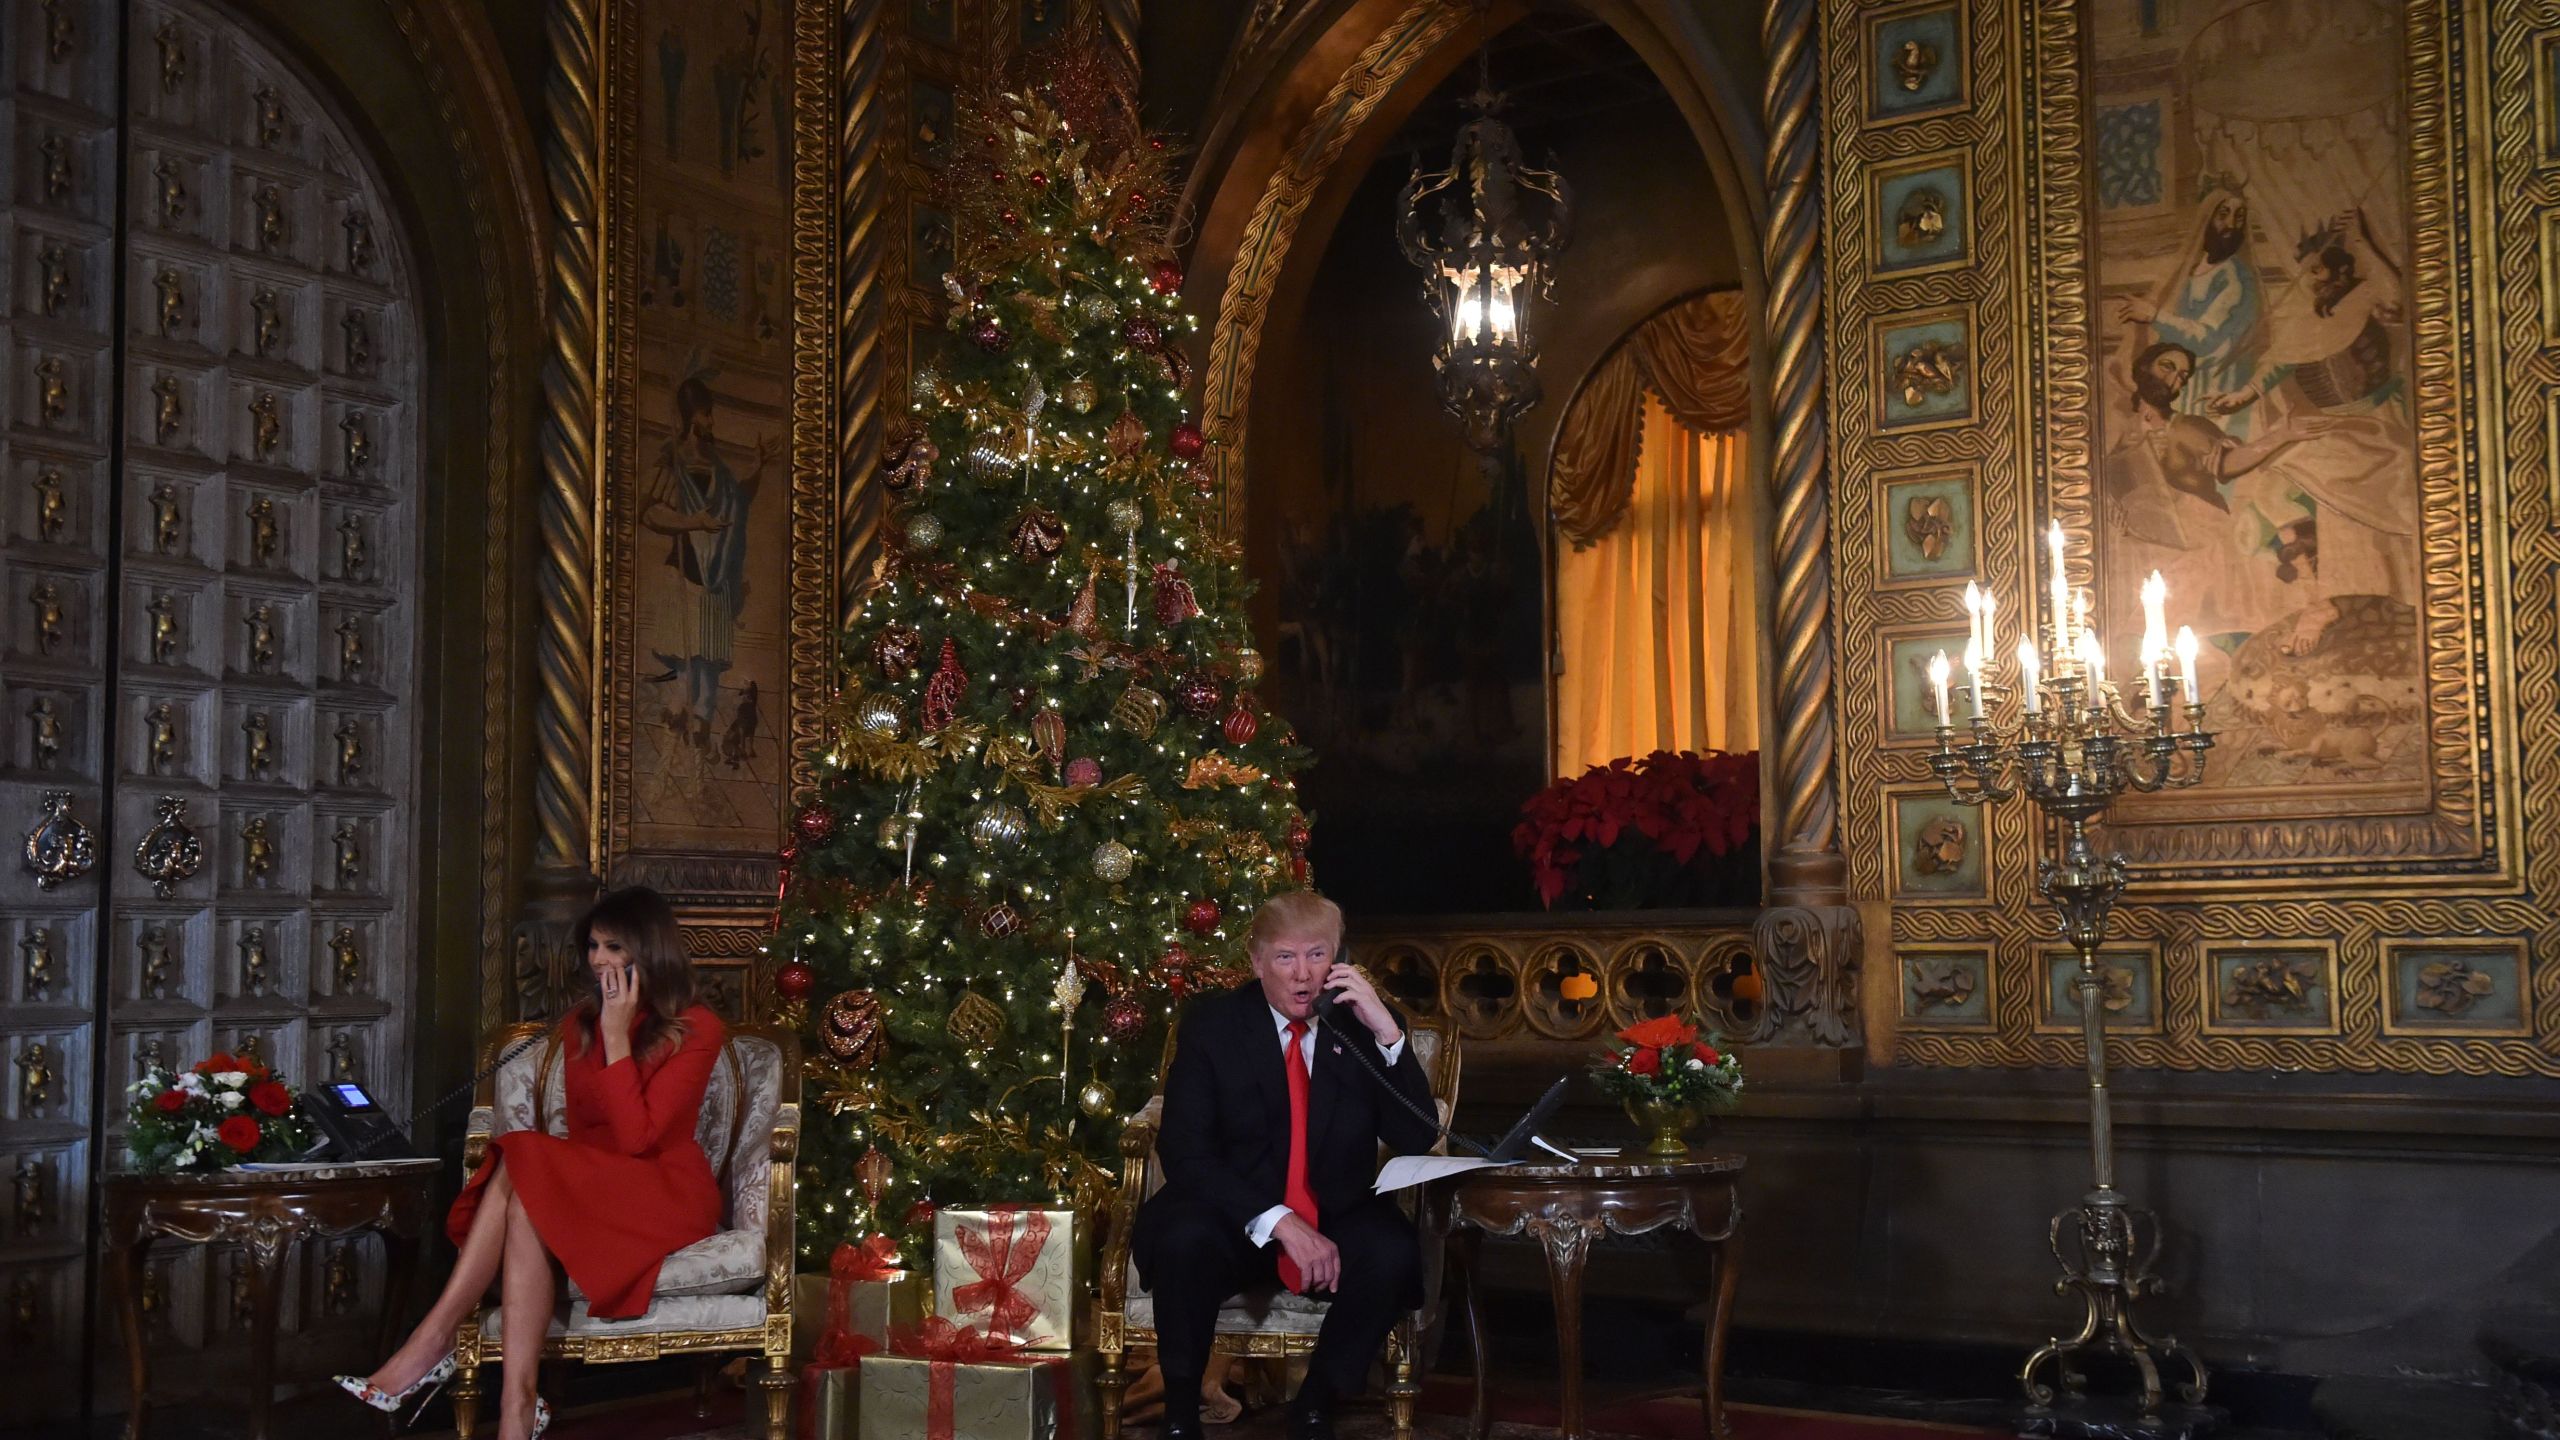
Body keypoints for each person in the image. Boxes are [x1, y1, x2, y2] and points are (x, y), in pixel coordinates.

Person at [336, 887, 726, 1440]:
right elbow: (591, 1131)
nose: (598, 960)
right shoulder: (581, 1025)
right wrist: (604, 1030)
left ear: (648, 950)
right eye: (592, 946)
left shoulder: (697, 1027)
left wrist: (618, 1037)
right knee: (524, 1202)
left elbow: (638, 1139)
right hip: (598, 1181)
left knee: (519, 1152)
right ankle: (518, 1411)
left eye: (613, 946)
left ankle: (434, 1340)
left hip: (666, 1194)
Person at [1130, 890, 1441, 1440]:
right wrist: (1279, 1220)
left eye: (1317, 955)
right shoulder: (1215, 1026)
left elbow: (1415, 1135)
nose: (1303, 975)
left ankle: (1317, 1400)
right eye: (1285, 957)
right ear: (1256, 961)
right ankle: (1181, 1411)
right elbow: (1184, 1152)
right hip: (1232, 1210)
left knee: (1391, 1250)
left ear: (1338, 958)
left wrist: (1388, 1034)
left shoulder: (1360, 1024)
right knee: (1182, 1237)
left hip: (1334, 1207)